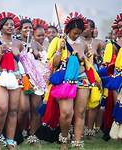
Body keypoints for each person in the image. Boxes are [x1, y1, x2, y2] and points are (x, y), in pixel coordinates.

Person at [47, 12, 99, 149]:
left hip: (82, 78)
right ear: (68, 29)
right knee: (66, 112)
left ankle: (77, 142)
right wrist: (60, 49)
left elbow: (89, 63)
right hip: (65, 79)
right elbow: (52, 63)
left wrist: (86, 57)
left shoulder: (84, 43)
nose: (77, 36)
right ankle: (64, 138)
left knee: (80, 112)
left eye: (79, 33)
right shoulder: (59, 40)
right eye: (75, 33)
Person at [0, 11, 24, 150]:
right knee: (1, 108)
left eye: (12, 24)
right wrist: (0, 52)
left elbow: (24, 62)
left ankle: (10, 141)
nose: (10, 26)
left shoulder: (19, 43)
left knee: (13, 110)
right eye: (7, 24)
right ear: (1, 27)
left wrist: (18, 55)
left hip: (16, 76)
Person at [81, 19, 105, 137]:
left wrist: (96, 57)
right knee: (82, 100)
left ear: (92, 29)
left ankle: (90, 129)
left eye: (86, 27)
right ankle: (81, 127)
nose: (83, 29)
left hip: (94, 73)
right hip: (81, 73)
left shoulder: (98, 43)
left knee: (94, 100)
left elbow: (102, 60)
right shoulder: (77, 42)